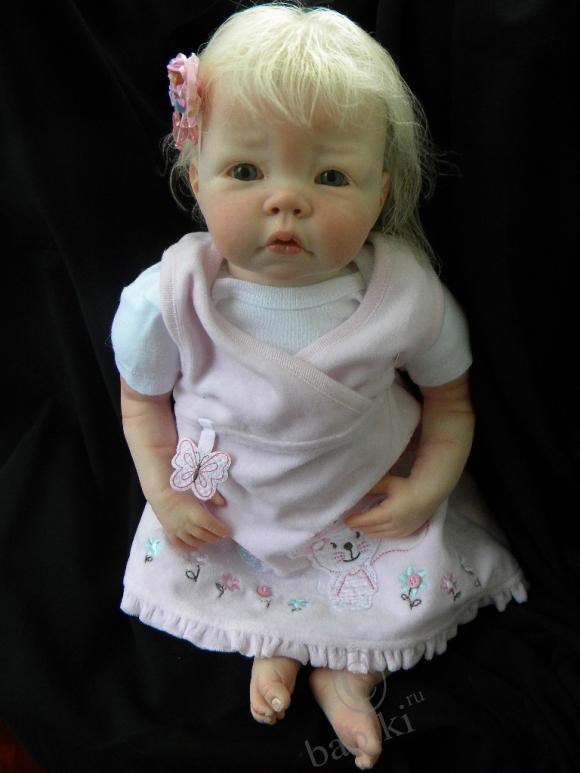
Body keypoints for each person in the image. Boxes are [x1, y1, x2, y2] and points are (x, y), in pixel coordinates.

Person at [111, 4, 527, 768]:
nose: (287, 201)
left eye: (330, 176)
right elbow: (142, 403)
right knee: (246, 577)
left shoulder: (405, 294)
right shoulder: (170, 298)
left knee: (386, 582)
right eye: (247, 171)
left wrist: (426, 490)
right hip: (237, 513)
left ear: (380, 192)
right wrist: (165, 496)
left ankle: (345, 672)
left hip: (363, 506)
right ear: (195, 174)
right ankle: (275, 645)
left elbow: (451, 402)